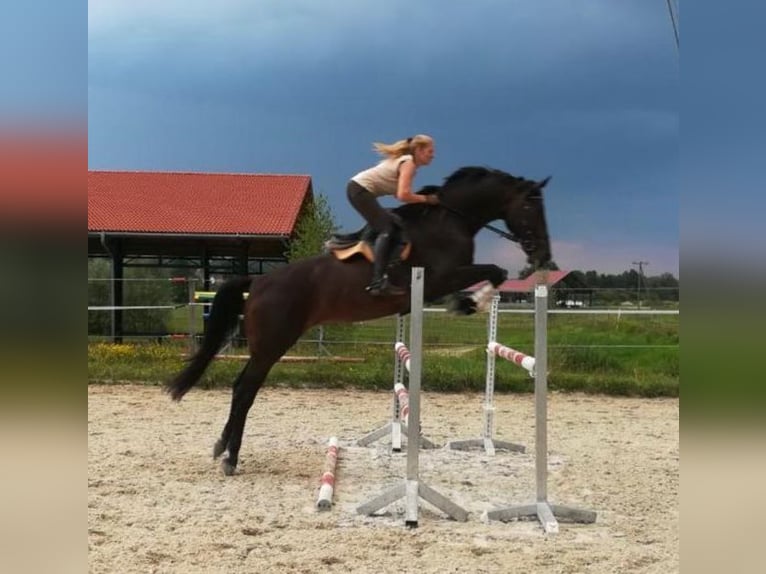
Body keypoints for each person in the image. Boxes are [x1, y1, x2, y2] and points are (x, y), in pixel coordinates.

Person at [347, 134, 439, 296]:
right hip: (360, 191)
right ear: (418, 150)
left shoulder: (408, 164)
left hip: (358, 190)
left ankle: (368, 252)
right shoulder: (408, 163)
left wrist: (420, 199)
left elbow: (400, 195)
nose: (433, 155)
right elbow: (403, 195)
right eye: (430, 151)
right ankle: (377, 282)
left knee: (394, 222)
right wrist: (427, 199)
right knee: (387, 229)